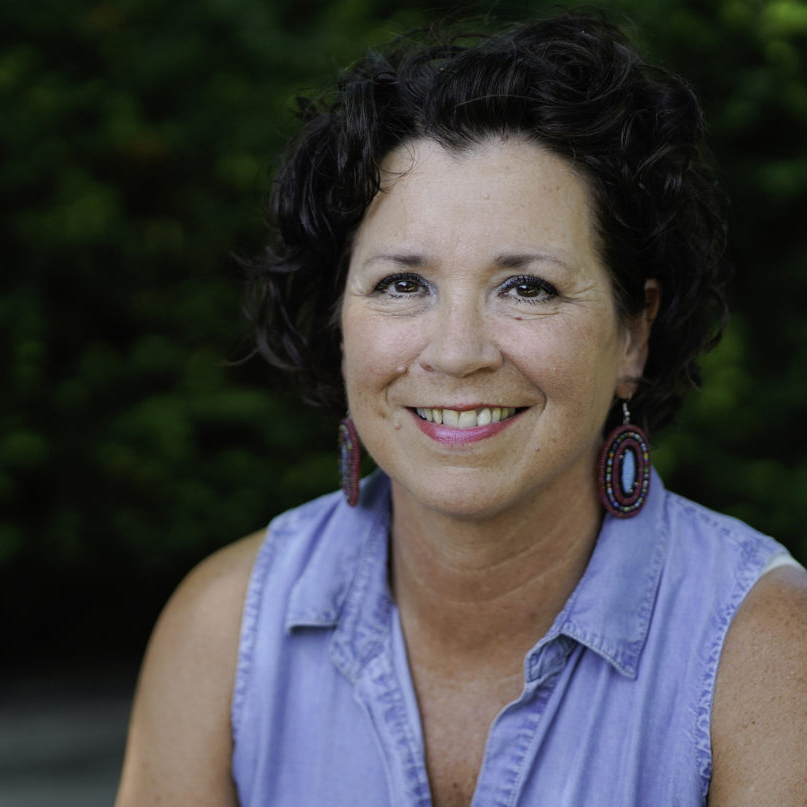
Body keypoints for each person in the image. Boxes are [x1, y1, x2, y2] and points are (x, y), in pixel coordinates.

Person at [115, 11, 807, 807]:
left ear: (633, 334)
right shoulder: (221, 629)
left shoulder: (766, 652)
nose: (455, 351)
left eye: (527, 286)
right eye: (402, 284)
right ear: (339, 318)